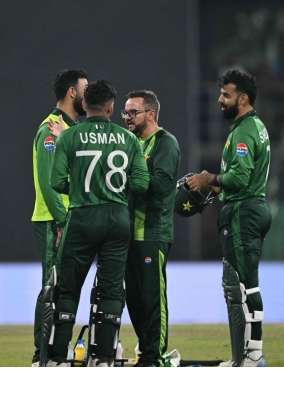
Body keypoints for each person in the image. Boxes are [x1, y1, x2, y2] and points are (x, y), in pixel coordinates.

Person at [47, 79, 149, 367]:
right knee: (111, 289)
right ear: (110, 107)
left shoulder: (69, 137)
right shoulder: (128, 139)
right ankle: (103, 357)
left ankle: (60, 357)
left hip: (82, 216)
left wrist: (80, 188)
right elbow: (141, 183)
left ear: (83, 105)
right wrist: (116, 188)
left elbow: (55, 181)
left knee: (67, 288)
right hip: (117, 219)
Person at [187, 69, 272, 368]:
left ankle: (249, 357)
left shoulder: (246, 130)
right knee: (248, 284)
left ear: (243, 98)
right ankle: (251, 354)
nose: (220, 100)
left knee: (239, 285)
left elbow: (240, 176)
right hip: (252, 207)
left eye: (227, 95)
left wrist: (209, 178)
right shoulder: (253, 127)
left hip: (243, 210)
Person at [30, 69, 88, 366]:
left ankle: (55, 351)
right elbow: (48, 182)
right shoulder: (50, 128)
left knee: (63, 285)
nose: (88, 95)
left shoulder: (69, 128)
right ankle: (41, 355)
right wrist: (62, 221)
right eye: (84, 89)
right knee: (52, 285)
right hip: (55, 221)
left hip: (67, 219)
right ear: (71, 93)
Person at [122, 90, 180, 367]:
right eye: (125, 112)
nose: (128, 117)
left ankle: (154, 357)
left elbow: (162, 186)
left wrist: (131, 177)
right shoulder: (129, 142)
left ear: (151, 114)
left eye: (134, 112)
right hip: (126, 234)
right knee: (133, 299)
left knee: (153, 299)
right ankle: (145, 351)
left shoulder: (165, 143)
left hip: (153, 232)